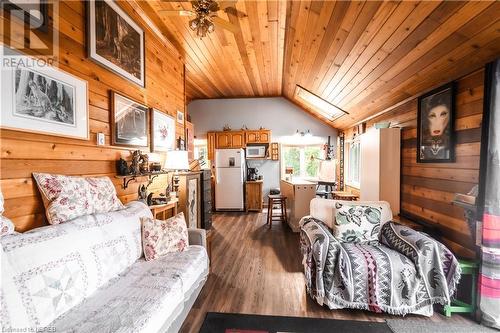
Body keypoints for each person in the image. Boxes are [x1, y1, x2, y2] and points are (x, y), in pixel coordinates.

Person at [420, 93, 451, 160]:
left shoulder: (448, 139)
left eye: (443, 115)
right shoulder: (424, 137)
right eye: (432, 116)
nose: (437, 123)